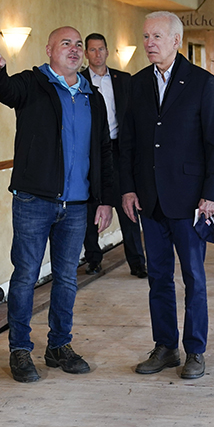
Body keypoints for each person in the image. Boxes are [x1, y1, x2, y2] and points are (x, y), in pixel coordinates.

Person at [0, 26, 115, 383]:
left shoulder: (93, 97)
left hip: (76, 205)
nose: (73, 50)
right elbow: (5, 91)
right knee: (26, 276)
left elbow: (103, 151)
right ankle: (20, 350)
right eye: (65, 44)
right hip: (33, 201)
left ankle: (59, 346)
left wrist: (104, 201)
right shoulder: (32, 84)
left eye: (77, 45)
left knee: (67, 279)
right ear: (49, 50)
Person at [120, 12, 214, 380]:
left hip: (190, 201)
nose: (149, 42)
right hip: (150, 201)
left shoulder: (201, 83)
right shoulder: (136, 85)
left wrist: (211, 193)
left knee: (194, 278)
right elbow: (129, 144)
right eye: (146, 35)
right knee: (158, 278)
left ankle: (195, 350)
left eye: (157, 36)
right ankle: (165, 347)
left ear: (177, 41)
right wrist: (128, 189)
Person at [81, 33, 147, 279]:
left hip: (119, 149)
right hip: (91, 151)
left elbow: (135, 117)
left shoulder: (124, 80)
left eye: (101, 49)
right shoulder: (78, 80)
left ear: (107, 52)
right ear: (86, 54)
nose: (98, 54)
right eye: (92, 50)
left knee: (127, 204)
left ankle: (137, 263)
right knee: (91, 205)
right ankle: (93, 259)